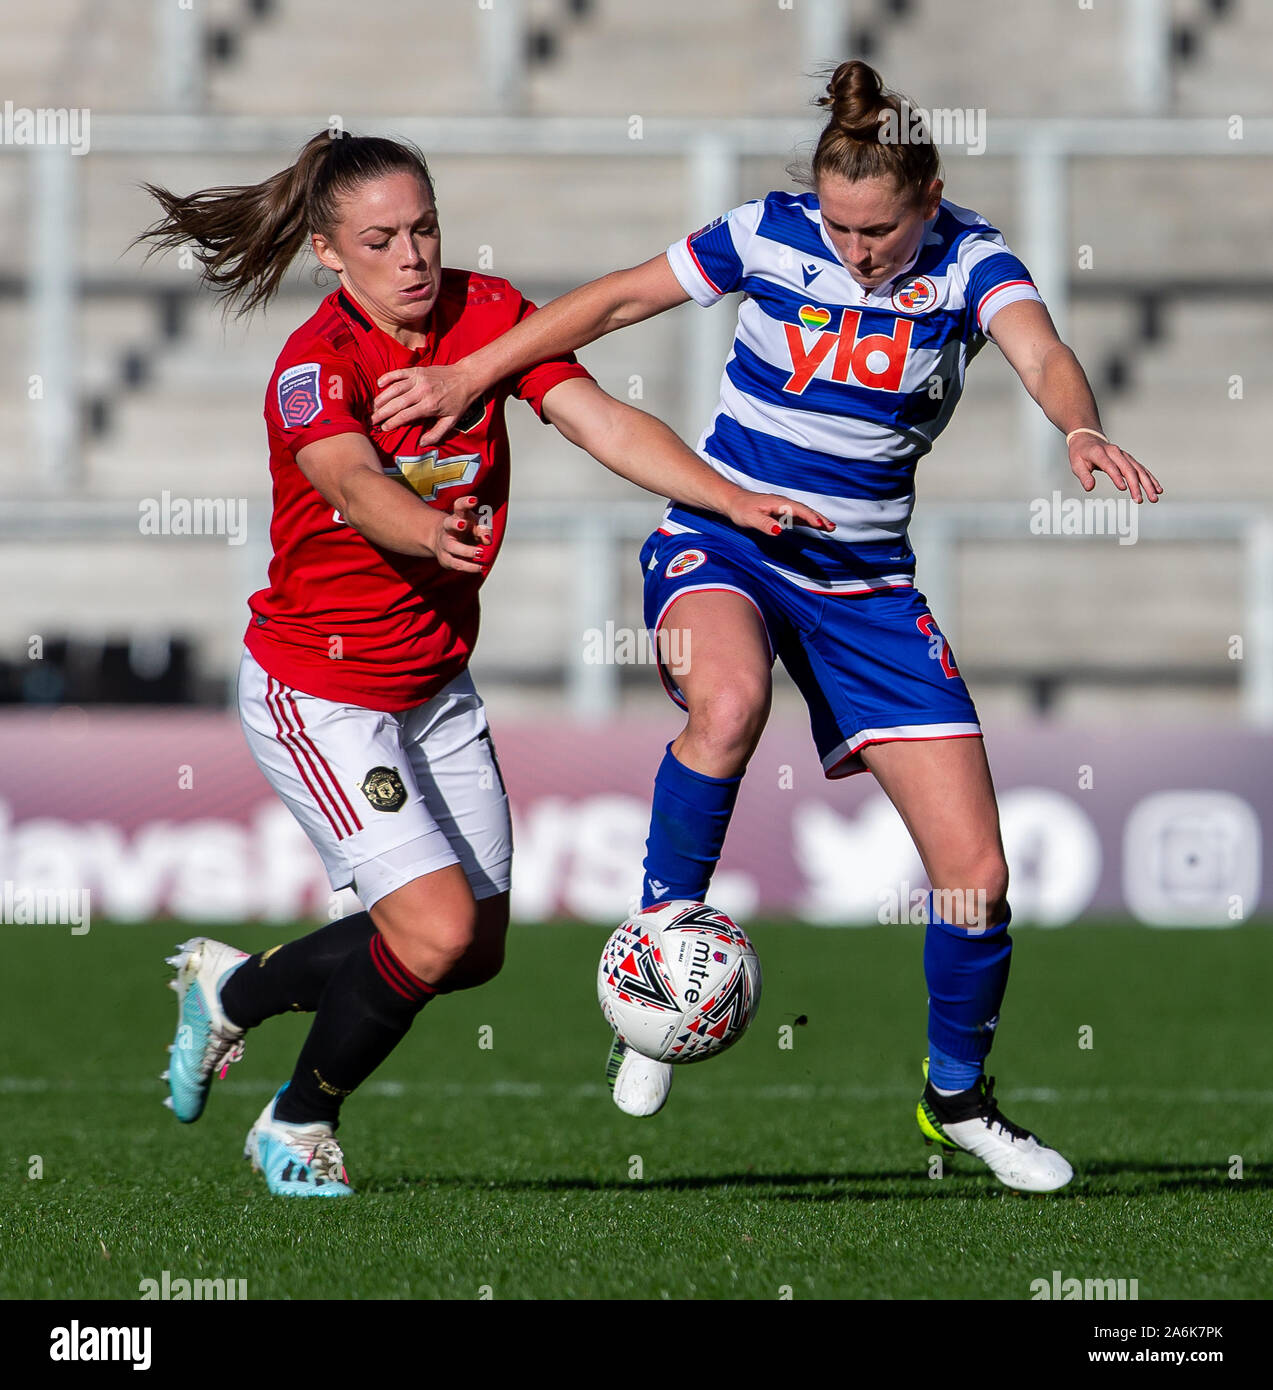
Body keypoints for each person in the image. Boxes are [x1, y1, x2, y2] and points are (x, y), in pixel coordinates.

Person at [367, 62, 1164, 1193]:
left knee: (975, 878)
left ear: (929, 200)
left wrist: (1079, 428)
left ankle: (957, 1102)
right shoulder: (768, 233)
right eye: (841, 225)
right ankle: (654, 962)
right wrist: (474, 374)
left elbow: (1037, 349)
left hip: (867, 584)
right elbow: (610, 303)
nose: (857, 250)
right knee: (728, 701)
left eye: (880, 230)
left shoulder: (974, 262)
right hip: (725, 538)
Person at [133, 130, 827, 1197]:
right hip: (321, 691)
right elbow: (352, 481)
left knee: (473, 947)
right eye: (381, 239)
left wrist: (724, 497)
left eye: (425, 228)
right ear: (329, 253)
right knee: (433, 926)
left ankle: (233, 991)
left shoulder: (487, 314)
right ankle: (296, 1121)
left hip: (432, 683)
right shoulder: (315, 367)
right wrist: (422, 530)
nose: (412, 256)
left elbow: (594, 418)